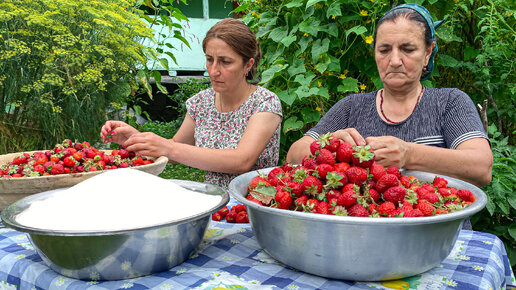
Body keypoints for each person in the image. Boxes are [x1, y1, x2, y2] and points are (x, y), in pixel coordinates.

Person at [286, 4, 493, 188]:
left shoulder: (448, 103)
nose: (394, 60)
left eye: (407, 49)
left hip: (439, 230)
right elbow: (293, 155)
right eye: (384, 50)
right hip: (362, 229)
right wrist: (329, 144)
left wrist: (409, 154)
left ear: (428, 53)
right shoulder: (351, 107)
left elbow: (481, 168)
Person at [101, 18, 282, 189]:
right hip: (213, 204)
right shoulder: (201, 103)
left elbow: (242, 161)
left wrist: (169, 148)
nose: (213, 71)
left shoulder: (265, 103)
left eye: (225, 62)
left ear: (248, 65)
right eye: (209, 59)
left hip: (254, 206)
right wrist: (137, 140)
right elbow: (174, 150)